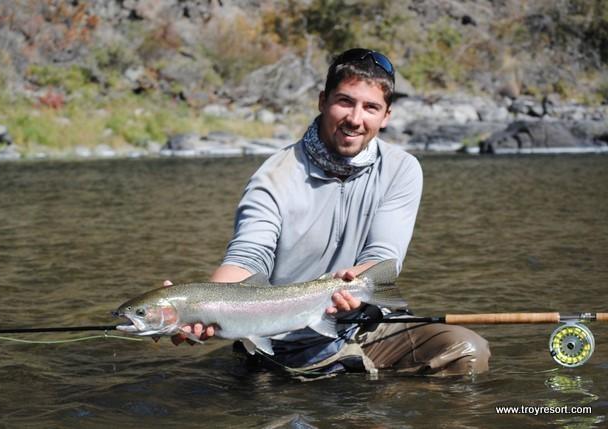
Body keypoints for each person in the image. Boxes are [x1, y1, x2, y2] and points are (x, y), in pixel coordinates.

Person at [170, 48, 490, 378]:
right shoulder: (274, 177)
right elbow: (248, 258)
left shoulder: (402, 169)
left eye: (370, 108)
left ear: (386, 116)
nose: (355, 119)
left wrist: (355, 285)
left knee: (467, 353)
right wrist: (195, 307)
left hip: (366, 327)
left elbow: (383, 256)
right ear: (322, 101)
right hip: (282, 343)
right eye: (345, 102)